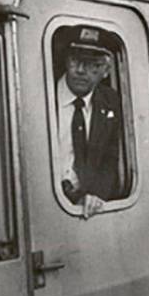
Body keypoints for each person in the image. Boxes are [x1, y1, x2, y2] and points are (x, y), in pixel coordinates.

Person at [55, 25, 123, 219]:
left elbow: (111, 157)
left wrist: (95, 194)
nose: (81, 70)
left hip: (84, 209)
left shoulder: (111, 101)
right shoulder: (41, 94)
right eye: (75, 60)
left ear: (106, 71)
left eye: (93, 64)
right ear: (66, 61)